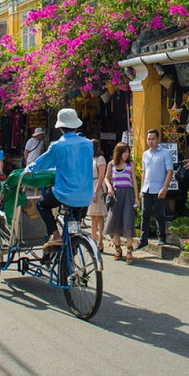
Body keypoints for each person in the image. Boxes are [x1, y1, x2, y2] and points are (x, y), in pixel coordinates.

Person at [24, 108, 94, 250]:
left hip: (65, 194)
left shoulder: (58, 146)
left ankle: (55, 235)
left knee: (42, 204)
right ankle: (72, 254)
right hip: (86, 195)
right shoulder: (88, 143)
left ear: (60, 127)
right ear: (75, 126)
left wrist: (29, 169)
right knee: (73, 228)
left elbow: (43, 162)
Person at [103, 142, 139, 263]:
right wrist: (109, 187)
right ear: (119, 152)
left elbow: (134, 181)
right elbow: (106, 178)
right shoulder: (111, 164)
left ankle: (129, 250)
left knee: (128, 221)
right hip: (116, 194)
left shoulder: (130, 165)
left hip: (128, 194)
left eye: (128, 152)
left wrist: (136, 198)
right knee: (115, 222)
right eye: (124, 152)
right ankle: (118, 249)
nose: (126, 154)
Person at [139, 128, 173, 248]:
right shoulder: (145, 154)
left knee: (159, 214)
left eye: (153, 139)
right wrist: (141, 188)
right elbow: (143, 172)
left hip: (159, 188)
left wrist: (164, 187)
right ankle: (143, 240)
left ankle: (161, 236)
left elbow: (169, 171)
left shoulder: (165, 153)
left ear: (157, 139)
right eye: (148, 139)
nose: (150, 141)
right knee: (145, 214)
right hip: (147, 188)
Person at [87, 139, 108, 252]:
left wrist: (95, 191)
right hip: (90, 186)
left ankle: (100, 241)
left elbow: (101, 176)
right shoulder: (91, 159)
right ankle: (93, 240)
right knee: (92, 215)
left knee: (99, 216)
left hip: (97, 187)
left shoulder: (100, 159)